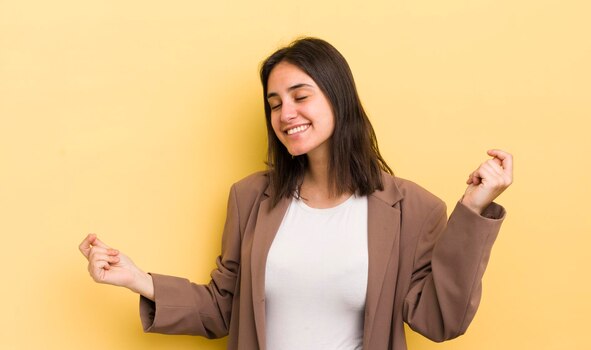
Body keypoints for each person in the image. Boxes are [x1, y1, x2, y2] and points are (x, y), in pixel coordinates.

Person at [79, 37, 513, 350]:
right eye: (273, 103)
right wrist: (137, 279)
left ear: (338, 100)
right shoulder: (250, 198)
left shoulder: (410, 209)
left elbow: (440, 320)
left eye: (300, 95)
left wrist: (473, 210)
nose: (286, 113)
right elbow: (223, 310)